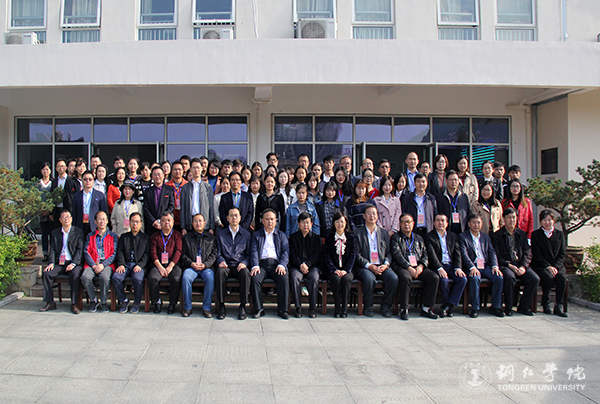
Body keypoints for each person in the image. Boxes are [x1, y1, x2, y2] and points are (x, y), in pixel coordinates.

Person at [491, 208, 540, 316]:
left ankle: (523, 307)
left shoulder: (521, 234)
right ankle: (508, 307)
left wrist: (523, 266)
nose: (511, 220)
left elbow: (527, 252)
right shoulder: (497, 235)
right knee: (509, 278)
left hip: (520, 264)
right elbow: (496, 255)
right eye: (509, 218)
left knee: (534, 279)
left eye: (513, 217)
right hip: (506, 265)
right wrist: (509, 265)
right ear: (503, 219)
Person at [391, 213, 439, 320]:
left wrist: (421, 266)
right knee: (405, 277)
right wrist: (408, 267)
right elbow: (397, 255)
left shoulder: (419, 238)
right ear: (400, 224)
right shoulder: (396, 238)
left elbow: (425, 254)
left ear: (413, 224)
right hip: (402, 267)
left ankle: (427, 309)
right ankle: (404, 309)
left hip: (418, 267)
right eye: (404, 222)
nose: (406, 224)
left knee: (434, 277)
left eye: (409, 222)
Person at [354, 205, 398, 317]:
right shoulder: (357, 233)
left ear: (377, 216)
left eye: (374, 213)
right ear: (364, 216)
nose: (372, 216)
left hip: (381, 264)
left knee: (393, 278)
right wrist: (369, 266)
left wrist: (386, 264)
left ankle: (386, 306)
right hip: (365, 266)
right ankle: (368, 307)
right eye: (369, 213)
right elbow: (357, 255)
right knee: (369, 279)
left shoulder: (384, 233)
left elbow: (389, 252)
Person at [459, 213, 504, 318]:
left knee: (499, 277)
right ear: (469, 224)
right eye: (474, 222)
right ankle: (475, 308)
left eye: (478, 222)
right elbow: (464, 255)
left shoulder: (485, 237)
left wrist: (495, 266)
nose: (476, 225)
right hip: (472, 266)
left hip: (485, 265)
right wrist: (472, 267)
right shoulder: (463, 237)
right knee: (474, 279)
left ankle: (495, 307)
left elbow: (491, 252)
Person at [39, 210, 84, 314]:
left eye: (68, 216)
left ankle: (74, 304)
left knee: (75, 274)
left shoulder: (78, 232)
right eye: (63, 217)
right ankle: (50, 302)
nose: (66, 219)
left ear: (71, 219)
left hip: (73, 263)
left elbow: (80, 250)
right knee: (46, 274)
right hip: (60, 263)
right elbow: (52, 249)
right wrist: (51, 263)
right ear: (60, 220)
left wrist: (73, 263)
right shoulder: (55, 233)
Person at [250, 209, 290, 319]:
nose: (270, 221)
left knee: (283, 278)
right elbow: (253, 251)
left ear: (276, 221)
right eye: (267, 219)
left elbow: (285, 252)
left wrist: (282, 264)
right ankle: (259, 309)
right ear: (262, 221)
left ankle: (282, 310)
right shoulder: (256, 235)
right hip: (261, 264)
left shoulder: (281, 235)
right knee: (255, 278)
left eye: (272, 219)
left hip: (276, 264)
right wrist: (255, 265)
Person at [425, 213, 467, 318]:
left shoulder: (453, 236)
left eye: (443, 220)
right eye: (438, 220)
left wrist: (458, 268)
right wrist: (439, 268)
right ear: (434, 223)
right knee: (443, 280)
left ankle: (448, 305)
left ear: (447, 223)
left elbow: (457, 253)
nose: (440, 223)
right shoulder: (429, 237)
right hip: (437, 266)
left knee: (462, 279)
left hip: (451, 266)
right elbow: (432, 255)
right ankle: (446, 305)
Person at [215, 207, 253, 320]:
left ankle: (242, 306)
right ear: (227, 218)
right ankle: (221, 306)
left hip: (239, 265)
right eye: (231, 215)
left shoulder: (247, 235)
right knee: (220, 272)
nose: (234, 218)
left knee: (245, 273)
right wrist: (221, 261)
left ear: (240, 218)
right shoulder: (221, 234)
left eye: (236, 215)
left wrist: (244, 263)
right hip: (226, 265)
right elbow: (218, 252)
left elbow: (249, 253)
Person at [530, 209, 568, 317]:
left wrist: (555, 266)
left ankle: (558, 305)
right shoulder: (536, 235)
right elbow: (537, 254)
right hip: (542, 265)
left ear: (553, 221)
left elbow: (562, 253)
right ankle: (545, 303)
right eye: (544, 220)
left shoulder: (559, 234)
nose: (547, 222)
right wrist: (547, 266)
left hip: (557, 265)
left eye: (549, 220)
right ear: (540, 221)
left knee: (561, 278)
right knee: (548, 277)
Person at [181, 213, 218, 318]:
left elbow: (214, 254)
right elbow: (183, 254)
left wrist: (205, 265)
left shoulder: (211, 238)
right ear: (192, 224)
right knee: (186, 277)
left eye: (200, 221)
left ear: (204, 223)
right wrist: (191, 263)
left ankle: (207, 308)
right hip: (191, 267)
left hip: (206, 267)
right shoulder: (187, 238)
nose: (198, 223)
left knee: (210, 278)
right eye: (195, 221)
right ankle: (187, 307)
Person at [81, 211, 118, 313]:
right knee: (85, 277)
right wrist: (93, 265)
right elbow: (86, 251)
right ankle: (93, 300)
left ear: (107, 221)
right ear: (95, 221)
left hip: (107, 264)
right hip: (92, 263)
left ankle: (104, 302)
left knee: (104, 277)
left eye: (104, 219)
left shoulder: (113, 236)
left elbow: (114, 254)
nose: (102, 221)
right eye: (99, 219)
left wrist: (103, 264)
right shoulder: (90, 235)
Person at [113, 212, 149, 314]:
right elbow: (119, 251)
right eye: (133, 221)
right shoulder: (124, 237)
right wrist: (121, 264)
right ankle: (124, 300)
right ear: (129, 223)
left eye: (137, 222)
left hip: (138, 265)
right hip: (125, 265)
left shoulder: (145, 238)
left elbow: (147, 255)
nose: (134, 224)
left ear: (141, 223)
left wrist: (140, 265)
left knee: (137, 278)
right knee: (116, 277)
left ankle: (137, 302)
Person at [148, 212, 183, 314]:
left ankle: (172, 303)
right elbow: (153, 253)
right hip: (158, 264)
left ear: (173, 222)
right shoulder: (155, 236)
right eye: (163, 220)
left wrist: (170, 266)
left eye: (168, 220)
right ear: (160, 223)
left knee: (176, 278)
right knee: (152, 278)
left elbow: (178, 251)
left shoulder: (177, 235)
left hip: (173, 265)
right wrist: (160, 267)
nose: (166, 223)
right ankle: (157, 302)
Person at [289, 212, 321, 318]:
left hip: (312, 266)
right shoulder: (293, 238)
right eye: (302, 222)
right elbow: (292, 254)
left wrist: (307, 264)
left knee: (314, 278)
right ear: (298, 224)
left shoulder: (316, 238)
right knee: (295, 278)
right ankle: (298, 307)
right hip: (297, 266)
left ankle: (312, 308)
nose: (305, 225)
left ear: (311, 224)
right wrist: (300, 265)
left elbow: (317, 254)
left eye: (307, 222)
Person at [324, 212, 356, 317]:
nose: (340, 224)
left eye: (342, 222)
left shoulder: (351, 237)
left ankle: (344, 309)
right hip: (333, 269)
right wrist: (334, 269)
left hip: (347, 270)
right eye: (337, 222)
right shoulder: (329, 237)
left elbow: (353, 255)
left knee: (346, 279)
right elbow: (326, 256)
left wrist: (346, 270)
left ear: (346, 223)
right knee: (336, 279)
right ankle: (337, 308)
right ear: (333, 223)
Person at [180, 158, 216, 235]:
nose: (196, 170)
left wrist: (211, 227)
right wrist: (183, 227)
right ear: (190, 169)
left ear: (202, 168)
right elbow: (183, 208)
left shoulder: (207, 187)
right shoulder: (185, 188)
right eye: (194, 167)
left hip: (204, 223)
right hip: (189, 223)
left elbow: (211, 207)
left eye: (198, 167)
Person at [71, 170, 108, 235]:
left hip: (94, 226)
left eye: (90, 179)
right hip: (80, 226)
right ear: (82, 181)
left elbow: (103, 212)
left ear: (93, 181)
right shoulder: (76, 196)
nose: (87, 181)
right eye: (85, 179)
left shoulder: (100, 195)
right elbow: (74, 213)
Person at [436, 170, 470, 235]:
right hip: (446, 231)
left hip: (462, 231)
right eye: (451, 180)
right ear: (446, 181)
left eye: (455, 180)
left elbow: (468, 213)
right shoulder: (440, 197)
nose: (453, 182)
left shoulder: (463, 196)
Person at [143, 166, 175, 235]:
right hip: (151, 225)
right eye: (155, 174)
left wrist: (162, 220)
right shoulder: (148, 191)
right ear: (152, 177)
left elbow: (171, 206)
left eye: (159, 174)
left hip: (165, 224)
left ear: (163, 175)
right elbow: (146, 208)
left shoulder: (169, 190)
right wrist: (153, 221)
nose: (157, 176)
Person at [51, 159, 79, 228]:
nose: (61, 168)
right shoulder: (54, 181)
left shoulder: (72, 181)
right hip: (57, 210)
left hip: (68, 209)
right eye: (59, 166)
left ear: (66, 168)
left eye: (62, 166)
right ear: (56, 168)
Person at [165, 160, 188, 231]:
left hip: (184, 218)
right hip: (170, 218)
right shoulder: (166, 185)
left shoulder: (187, 185)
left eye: (179, 169)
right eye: (175, 169)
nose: (177, 171)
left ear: (183, 171)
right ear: (171, 171)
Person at [39, 162, 53, 261]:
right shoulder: (38, 183)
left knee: (52, 233)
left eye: (47, 169)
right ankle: (45, 253)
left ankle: (52, 253)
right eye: (44, 169)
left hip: (51, 213)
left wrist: (50, 211)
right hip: (41, 213)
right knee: (44, 234)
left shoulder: (53, 183)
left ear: (50, 171)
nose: (45, 171)